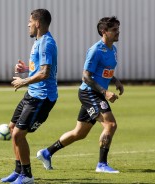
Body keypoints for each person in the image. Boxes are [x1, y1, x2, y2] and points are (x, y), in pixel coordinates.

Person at [37, 16, 124, 173]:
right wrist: (105, 91)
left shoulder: (113, 49)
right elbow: (86, 76)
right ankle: (102, 165)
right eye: (114, 30)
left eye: (118, 29)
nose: (118, 32)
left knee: (80, 133)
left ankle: (47, 152)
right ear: (104, 32)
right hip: (89, 92)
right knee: (110, 125)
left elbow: (105, 71)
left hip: (96, 93)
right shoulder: (95, 50)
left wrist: (116, 81)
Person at [0, 9, 58, 184]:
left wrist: (24, 81)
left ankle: (27, 176)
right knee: (12, 128)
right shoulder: (38, 41)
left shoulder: (47, 43)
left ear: (37, 24)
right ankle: (18, 171)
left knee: (18, 134)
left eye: (30, 22)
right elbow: (39, 68)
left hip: (42, 97)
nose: (28, 25)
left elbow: (45, 73)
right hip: (32, 93)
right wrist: (26, 70)